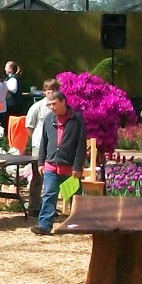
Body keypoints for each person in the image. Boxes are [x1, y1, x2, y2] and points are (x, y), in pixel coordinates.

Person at [33, 89, 86, 235]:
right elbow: (44, 141)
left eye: (54, 104)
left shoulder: (77, 119)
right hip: (51, 165)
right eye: (49, 105)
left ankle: (78, 224)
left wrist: (77, 166)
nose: (52, 107)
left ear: (63, 102)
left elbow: (81, 145)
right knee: (49, 194)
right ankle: (44, 225)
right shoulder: (49, 119)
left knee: (75, 197)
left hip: (70, 166)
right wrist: (41, 162)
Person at [24, 78, 61, 215]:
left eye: (53, 90)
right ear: (44, 92)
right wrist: (36, 139)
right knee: (37, 176)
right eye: (48, 90)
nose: (50, 93)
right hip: (39, 145)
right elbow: (29, 126)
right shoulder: (37, 107)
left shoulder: (60, 108)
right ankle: (34, 207)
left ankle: (49, 207)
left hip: (55, 145)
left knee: (53, 176)